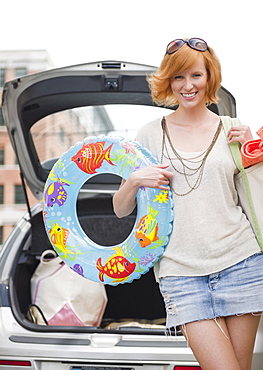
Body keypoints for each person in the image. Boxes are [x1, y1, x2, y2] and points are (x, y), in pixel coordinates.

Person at [113, 38, 263, 370]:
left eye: (195, 75)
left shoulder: (234, 129)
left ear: (210, 77)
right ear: (168, 81)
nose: (187, 85)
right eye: (178, 77)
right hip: (181, 273)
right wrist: (136, 180)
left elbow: (252, 196)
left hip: (241, 262)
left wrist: (254, 154)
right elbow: (120, 208)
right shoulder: (150, 134)